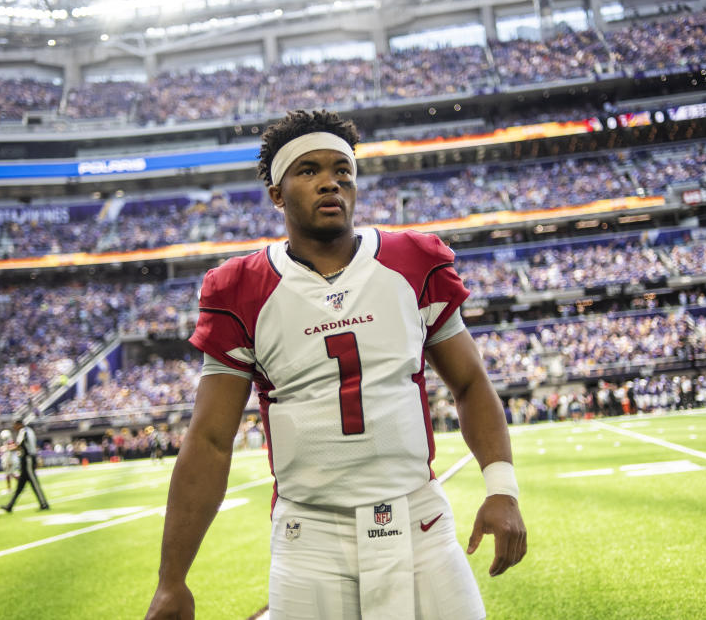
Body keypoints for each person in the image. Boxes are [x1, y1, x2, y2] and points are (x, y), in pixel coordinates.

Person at [146, 110, 526, 620]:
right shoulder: (240, 288)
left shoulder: (412, 260)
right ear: (277, 194)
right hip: (311, 540)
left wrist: (501, 488)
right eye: (308, 171)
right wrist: (172, 580)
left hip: (420, 524)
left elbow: (470, 382)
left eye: (343, 170)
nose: (331, 182)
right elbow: (211, 440)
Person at [0, 419, 49, 512]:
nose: (14, 427)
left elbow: (20, 446)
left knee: (34, 482)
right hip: (26, 459)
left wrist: (7, 448)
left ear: (19, 425)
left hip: (28, 459)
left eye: (15, 425)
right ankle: (10, 506)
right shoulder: (28, 430)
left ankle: (44, 504)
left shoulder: (24, 431)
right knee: (20, 485)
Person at [0, 429, 19, 495]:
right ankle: (21, 484)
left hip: (11, 460)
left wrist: (8, 461)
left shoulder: (9, 442)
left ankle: (9, 489)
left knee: (8, 474)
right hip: (11, 459)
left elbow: (14, 447)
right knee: (11, 474)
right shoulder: (8, 442)